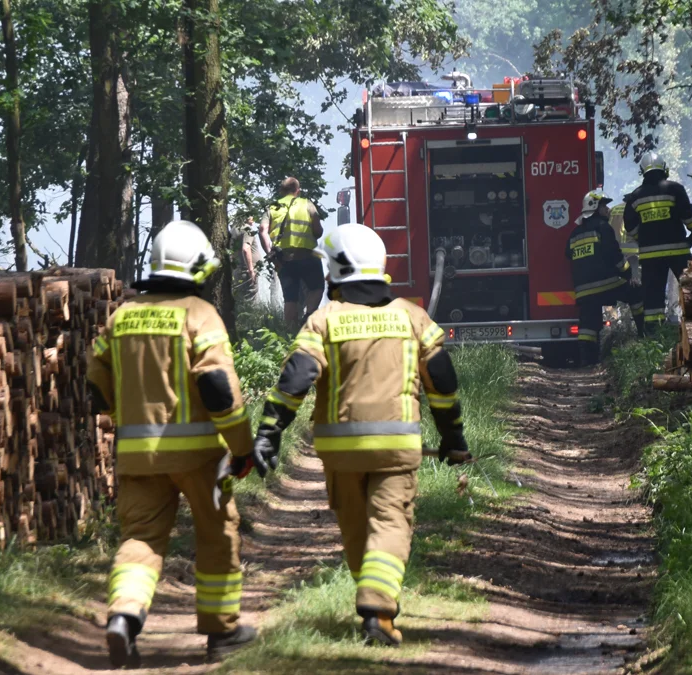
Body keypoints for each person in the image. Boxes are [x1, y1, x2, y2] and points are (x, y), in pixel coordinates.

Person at [252, 223, 472, 647]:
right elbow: (441, 381)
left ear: (334, 271)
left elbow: (296, 378)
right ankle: (378, 608)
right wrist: (454, 438)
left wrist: (269, 433)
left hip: (340, 453)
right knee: (390, 526)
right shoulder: (412, 317)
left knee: (356, 531)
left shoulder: (323, 321)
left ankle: (375, 602)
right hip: (396, 447)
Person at [87, 220, 262, 667]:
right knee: (218, 535)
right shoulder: (199, 315)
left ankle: (124, 616)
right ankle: (221, 633)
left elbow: (95, 388)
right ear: (198, 268)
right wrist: (242, 447)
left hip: (137, 457)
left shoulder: (122, 316)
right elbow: (219, 390)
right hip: (201, 458)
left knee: (141, 539)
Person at [622, 152, 692, 327]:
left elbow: (630, 226)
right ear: (664, 168)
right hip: (678, 251)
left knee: (652, 298)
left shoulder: (635, 197)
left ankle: (653, 334)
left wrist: (642, 237)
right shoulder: (675, 189)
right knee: (691, 290)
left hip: (651, 257)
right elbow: (687, 215)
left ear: (643, 171)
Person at [568, 191, 644, 366]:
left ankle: (587, 360)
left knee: (588, 322)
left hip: (583, 290)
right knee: (636, 293)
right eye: (604, 206)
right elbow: (615, 256)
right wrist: (628, 274)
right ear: (595, 208)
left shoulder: (574, 233)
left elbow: (568, 253)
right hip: (606, 283)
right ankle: (644, 334)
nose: (607, 209)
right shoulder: (603, 228)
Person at [259, 177, 327, 329]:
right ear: (298, 190)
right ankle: (308, 317)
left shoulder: (272, 207)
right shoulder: (307, 204)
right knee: (317, 288)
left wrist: (270, 251)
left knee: (290, 298)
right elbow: (318, 230)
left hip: (284, 259)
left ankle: (290, 335)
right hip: (307, 256)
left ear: (281, 191)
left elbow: (262, 230)